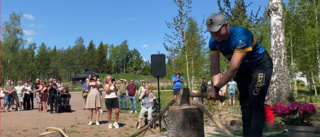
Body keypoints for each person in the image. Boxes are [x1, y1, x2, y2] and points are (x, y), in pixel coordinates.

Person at [206, 13, 273, 137]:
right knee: (245, 103)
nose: (215, 35)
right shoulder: (213, 42)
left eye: (217, 31)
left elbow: (233, 68)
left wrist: (216, 88)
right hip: (243, 70)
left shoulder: (241, 35)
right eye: (211, 32)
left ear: (226, 25)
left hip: (260, 66)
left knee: (255, 102)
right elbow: (214, 67)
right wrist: (217, 88)